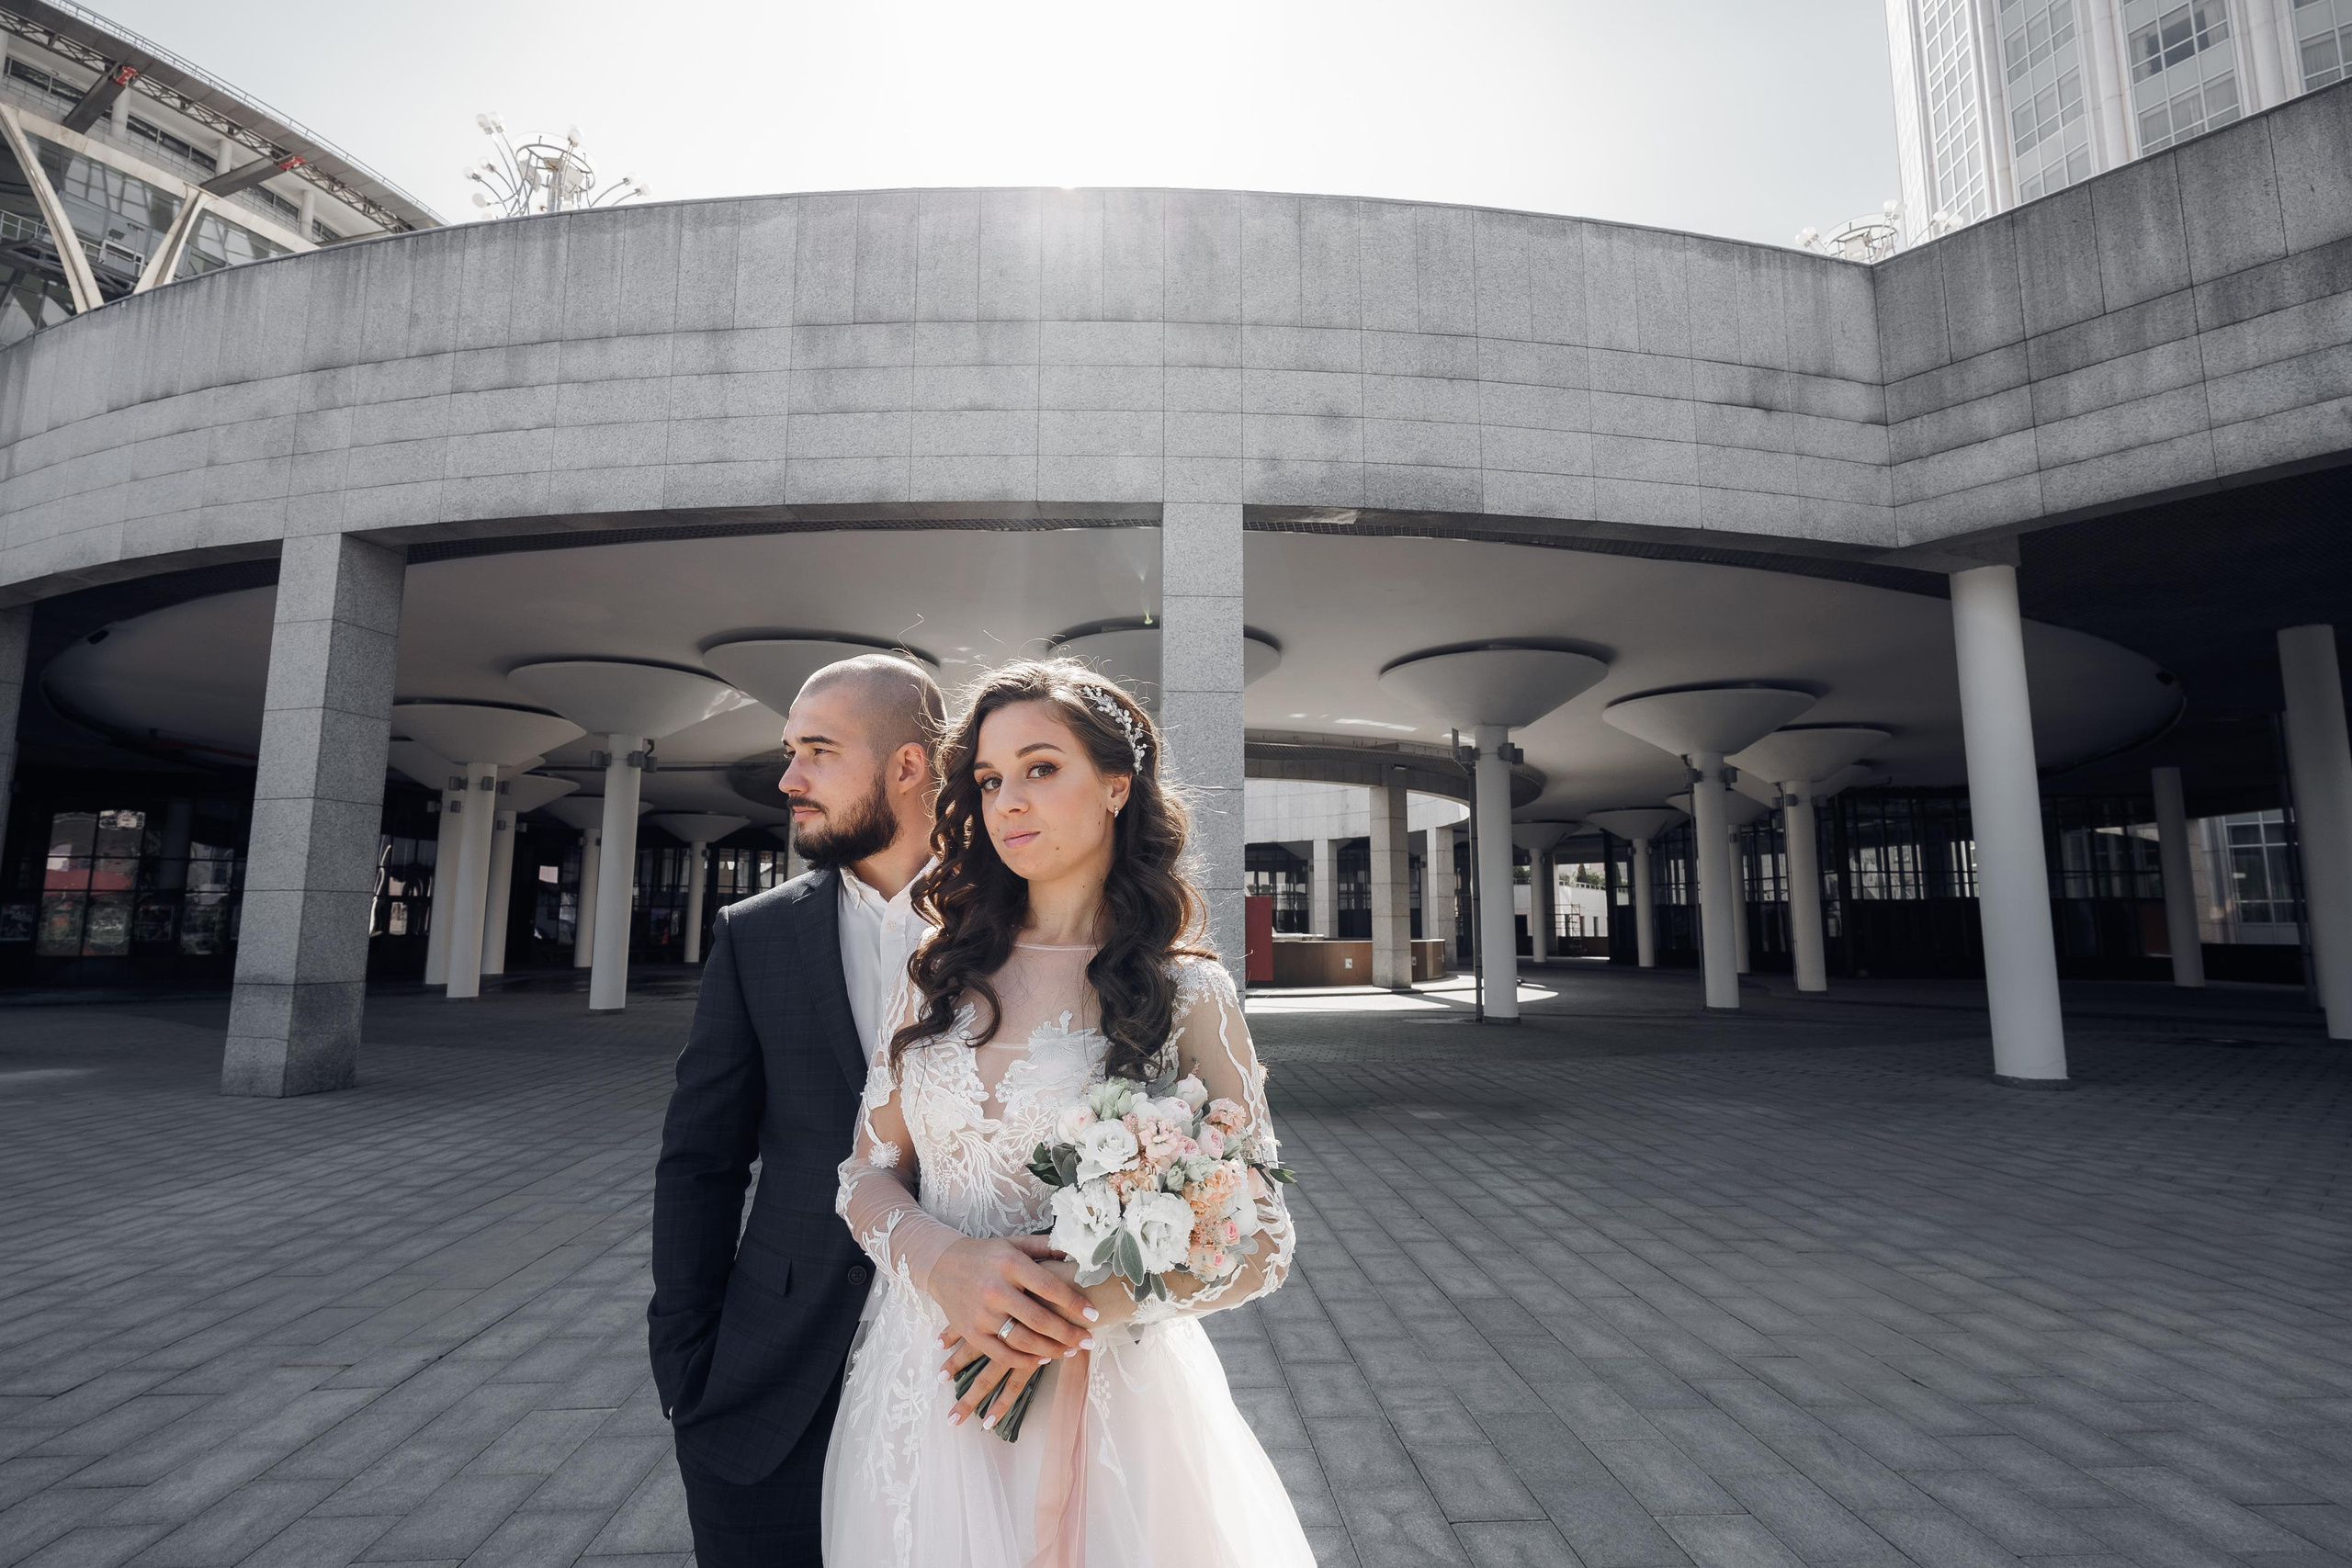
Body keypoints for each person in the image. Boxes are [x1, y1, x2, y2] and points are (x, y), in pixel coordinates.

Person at [827, 659, 1315, 1567]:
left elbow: (1262, 1242)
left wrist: (1069, 1306)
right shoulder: (934, 973)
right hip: (920, 1392)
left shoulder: (1187, 994)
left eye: (1041, 768)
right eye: (988, 779)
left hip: (1106, 1408)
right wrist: (942, 1261)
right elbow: (862, 1173)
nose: (1008, 799)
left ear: (1116, 786)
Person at [647, 652, 1097, 1566]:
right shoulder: (755, 936)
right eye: (788, 752)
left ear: (908, 767)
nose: (788, 779)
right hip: (769, 1383)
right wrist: (686, 1366)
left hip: (995, 1381)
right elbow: (701, 1160)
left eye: (817, 751)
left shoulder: (1040, 923)